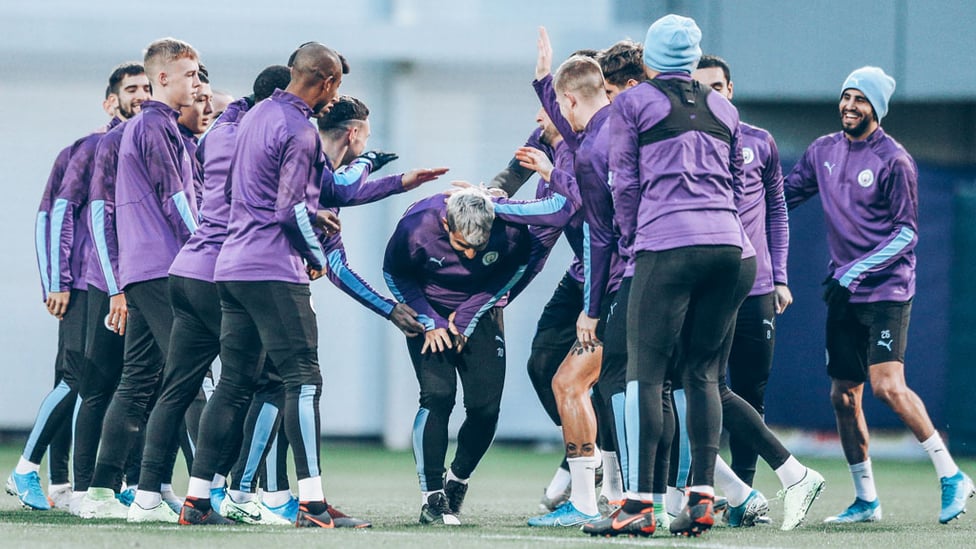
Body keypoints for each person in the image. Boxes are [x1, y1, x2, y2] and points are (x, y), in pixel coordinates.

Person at [785, 66, 974, 525]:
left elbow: (906, 234)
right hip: (844, 293)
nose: (850, 105)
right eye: (846, 96)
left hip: (887, 290)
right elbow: (785, 195)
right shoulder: (822, 151)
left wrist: (855, 271)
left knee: (888, 386)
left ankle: (952, 476)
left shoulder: (895, 160)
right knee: (843, 397)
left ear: (877, 109)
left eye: (861, 100)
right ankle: (866, 500)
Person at [583, 14, 748, 537]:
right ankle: (701, 497)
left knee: (644, 376)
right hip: (730, 247)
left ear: (650, 59)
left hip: (667, 244)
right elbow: (739, 184)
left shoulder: (632, 103)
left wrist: (633, 238)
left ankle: (639, 505)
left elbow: (623, 183)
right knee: (702, 375)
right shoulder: (723, 105)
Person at [127, 65, 293, 524]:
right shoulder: (263, 137)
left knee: (177, 387)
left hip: (183, 269)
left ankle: (146, 497)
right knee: (266, 380)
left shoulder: (218, 134)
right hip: (222, 272)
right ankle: (233, 493)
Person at [78, 37, 202, 519]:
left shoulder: (160, 126)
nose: (198, 83)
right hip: (163, 267)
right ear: (164, 78)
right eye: (191, 74)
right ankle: (184, 491)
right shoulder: (154, 126)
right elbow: (176, 202)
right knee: (188, 379)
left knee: (140, 381)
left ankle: (107, 493)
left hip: (147, 268)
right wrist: (209, 250)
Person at [383, 187, 535, 526]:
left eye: (477, 248)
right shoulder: (415, 227)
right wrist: (429, 320)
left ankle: (458, 480)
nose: (469, 255)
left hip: (479, 310)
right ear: (445, 224)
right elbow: (395, 272)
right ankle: (433, 499)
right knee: (438, 395)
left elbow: (517, 269)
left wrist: (468, 315)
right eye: (461, 245)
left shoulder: (509, 228)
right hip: (429, 310)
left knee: (485, 407)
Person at [71, 62, 152, 513]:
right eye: (132, 89)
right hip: (109, 282)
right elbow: (96, 218)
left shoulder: (157, 139)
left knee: (140, 384)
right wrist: (115, 288)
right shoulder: (107, 144)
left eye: (146, 86)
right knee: (99, 384)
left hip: (144, 280)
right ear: (114, 100)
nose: (141, 94)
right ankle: (85, 489)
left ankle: (136, 486)